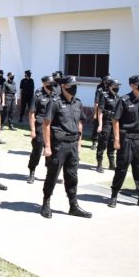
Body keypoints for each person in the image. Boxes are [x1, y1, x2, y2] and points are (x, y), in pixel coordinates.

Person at [40, 75, 91, 219]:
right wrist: (47, 146)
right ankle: (46, 203)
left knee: (72, 176)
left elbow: (80, 123)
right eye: (71, 86)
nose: (74, 88)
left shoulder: (77, 103)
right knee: (52, 175)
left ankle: (73, 206)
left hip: (73, 144)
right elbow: (46, 124)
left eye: (75, 85)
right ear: (63, 86)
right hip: (58, 145)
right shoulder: (55, 102)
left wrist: (79, 143)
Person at [108, 75, 139, 209]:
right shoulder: (124, 100)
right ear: (132, 85)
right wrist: (117, 139)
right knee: (122, 168)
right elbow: (115, 120)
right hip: (126, 139)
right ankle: (114, 196)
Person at [27, 76, 56, 184]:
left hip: (52, 127)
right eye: (49, 83)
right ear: (44, 83)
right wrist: (33, 129)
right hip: (40, 127)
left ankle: (50, 174)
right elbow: (31, 113)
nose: (51, 85)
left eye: (52, 83)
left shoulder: (56, 95)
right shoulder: (38, 95)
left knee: (51, 151)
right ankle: (32, 172)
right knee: (37, 151)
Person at [96, 79, 120, 173]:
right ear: (110, 87)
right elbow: (100, 111)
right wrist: (100, 125)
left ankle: (111, 163)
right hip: (106, 122)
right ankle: (99, 164)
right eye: (115, 86)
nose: (117, 87)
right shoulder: (104, 96)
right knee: (102, 143)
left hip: (114, 122)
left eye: (117, 86)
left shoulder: (118, 98)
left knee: (112, 142)